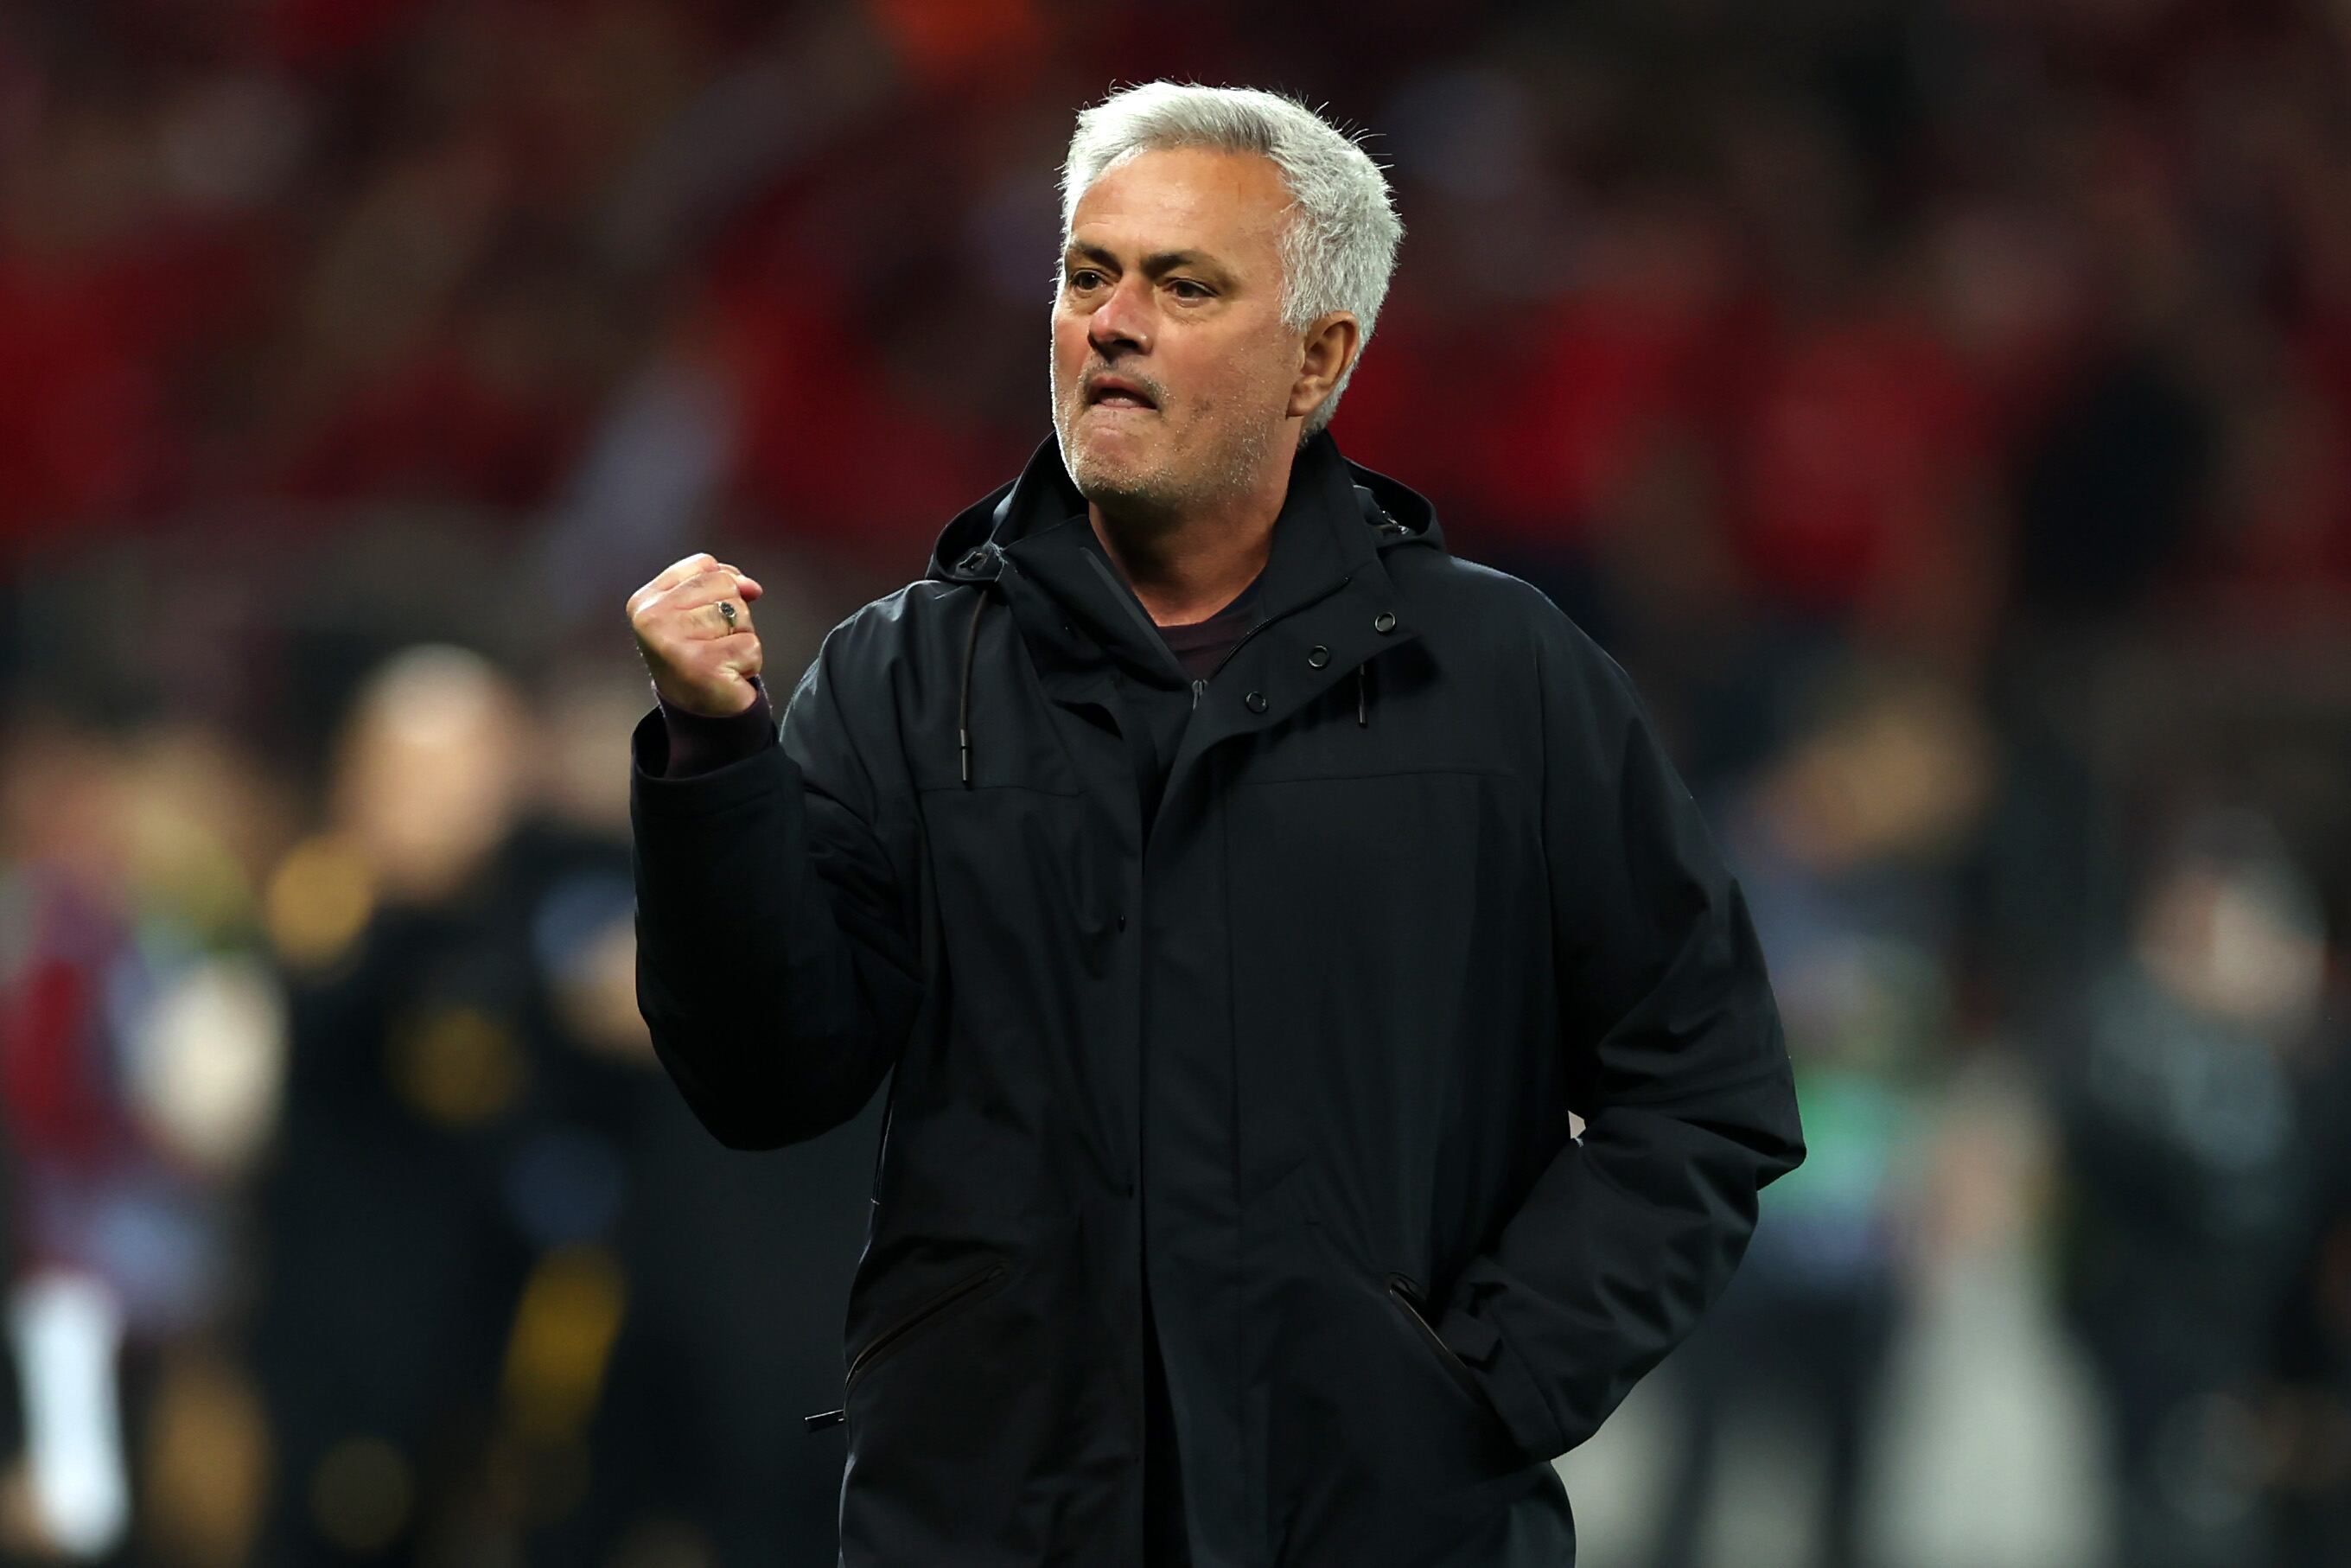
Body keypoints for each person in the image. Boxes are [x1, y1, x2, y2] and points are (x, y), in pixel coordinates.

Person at [625, 80, 1805, 1567]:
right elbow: (769, 1075)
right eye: (1086, 274)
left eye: (1185, 285)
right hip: (988, 1525)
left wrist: (1486, 1378)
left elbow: (1706, 1087)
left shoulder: (1505, 679)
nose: (1112, 321)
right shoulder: (906, 673)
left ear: (1319, 358)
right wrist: (715, 761)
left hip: (1387, 1534)